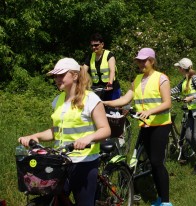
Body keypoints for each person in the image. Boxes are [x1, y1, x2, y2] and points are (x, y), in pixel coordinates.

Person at [18, 58, 111, 205]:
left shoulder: (91, 99)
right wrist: (35, 136)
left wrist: (88, 138)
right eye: (55, 76)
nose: (57, 79)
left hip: (84, 162)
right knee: (54, 199)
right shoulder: (58, 100)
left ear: (74, 76)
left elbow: (105, 130)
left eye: (61, 75)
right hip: (60, 162)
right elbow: (56, 131)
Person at [103, 48, 173, 206]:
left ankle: (166, 202)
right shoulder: (137, 79)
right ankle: (160, 198)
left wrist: (149, 111)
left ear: (152, 61)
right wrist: (104, 103)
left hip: (160, 125)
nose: (141, 63)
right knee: (152, 163)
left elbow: (167, 103)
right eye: (139, 61)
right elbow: (125, 99)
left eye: (144, 60)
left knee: (156, 162)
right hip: (145, 126)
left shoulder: (161, 78)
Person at [171, 58, 196, 174]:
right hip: (192, 111)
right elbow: (175, 90)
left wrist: (191, 97)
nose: (178, 69)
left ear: (182, 68)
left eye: (178, 67)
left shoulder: (195, 78)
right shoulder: (185, 79)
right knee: (188, 136)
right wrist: (161, 92)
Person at [83, 33, 121, 101]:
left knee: (112, 109)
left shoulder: (109, 55)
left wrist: (110, 83)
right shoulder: (90, 56)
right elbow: (83, 71)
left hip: (111, 89)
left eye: (96, 45)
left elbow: (112, 71)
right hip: (97, 89)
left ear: (102, 44)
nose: (94, 47)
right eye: (92, 46)